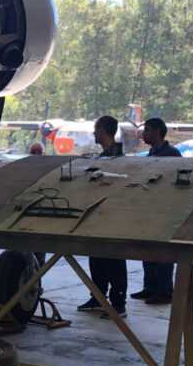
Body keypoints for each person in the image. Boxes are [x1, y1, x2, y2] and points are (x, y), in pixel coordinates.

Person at [77, 115, 128, 317]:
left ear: (105, 131)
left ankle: (118, 304)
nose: (94, 133)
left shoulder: (118, 159)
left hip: (112, 217)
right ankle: (98, 297)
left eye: (96, 129)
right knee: (97, 260)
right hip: (97, 215)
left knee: (114, 261)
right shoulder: (103, 157)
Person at [131, 117, 181, 305]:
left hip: (165, 210)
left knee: (163, 253)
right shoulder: (150, 154)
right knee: (148, 251)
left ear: (158, 132)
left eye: (147, 130)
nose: (143, 134)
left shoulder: (172, 155)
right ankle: (150, 287)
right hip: (150, 210)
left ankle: (165, 291)